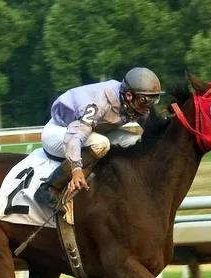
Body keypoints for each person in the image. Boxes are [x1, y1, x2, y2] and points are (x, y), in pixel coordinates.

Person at [34, 67, 163, 210]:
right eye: (144, 101)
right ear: (128, 95)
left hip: (91, 131)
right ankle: (50, 188)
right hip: (61, 131)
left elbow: (155, 129)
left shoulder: (133, 100)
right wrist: (76, 169)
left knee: (135, 142)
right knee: (101, 144)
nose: (147, 108)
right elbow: (75, 137)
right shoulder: (99, 104)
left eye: (153, 101)